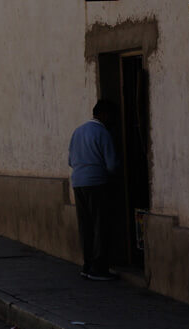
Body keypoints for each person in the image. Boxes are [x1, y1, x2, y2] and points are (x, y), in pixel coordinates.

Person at [69, 99, 120, 281]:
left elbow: (70, 160)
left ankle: (87, 263)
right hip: (96, 183)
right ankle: (99, 267)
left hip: (78, 182)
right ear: (104, 115)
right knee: (100, 224)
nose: (113, 120)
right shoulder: (102, 132)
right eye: (112, 116)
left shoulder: (78, 131)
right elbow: (112, 165)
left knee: (86, 225)